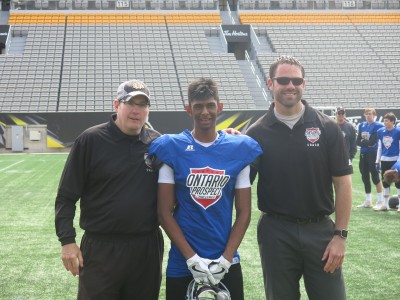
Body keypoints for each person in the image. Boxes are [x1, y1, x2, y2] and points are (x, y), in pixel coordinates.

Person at [246, 55, 353, 300]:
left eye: (296, 80)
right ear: (270, 83)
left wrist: (340, 236)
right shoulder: (256, 133)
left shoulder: (327, 128)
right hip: (276, 232)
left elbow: (343, 184)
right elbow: (241, 184)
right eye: (283, 80)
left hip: (320, 231)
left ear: (304, 84)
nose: (290, 86)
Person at [149, 77, 263, 300]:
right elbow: (164, 213)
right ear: (188, 109)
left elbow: (244, 212)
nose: (205, 112)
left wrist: (226, 259)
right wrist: (191, 259)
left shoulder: (238, 149)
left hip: (225, 260)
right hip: (183, 262)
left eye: (210, 105)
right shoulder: (172, 147)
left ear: (219, 107)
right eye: (198, 106)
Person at [55, 79, 164, 300]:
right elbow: (66, 196)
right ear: (116, 105)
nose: (137, 110)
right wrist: (67, 241)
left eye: (143, 105)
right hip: (101, 248)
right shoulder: (90, 140)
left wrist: (224, 135)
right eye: (130, 103)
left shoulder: (158, 143)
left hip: (146, 248)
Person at [356, 108, 384, 208]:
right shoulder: (362, 125)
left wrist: (364, 142)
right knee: (364, 176)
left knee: (375, 176)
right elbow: (357, 141)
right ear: (364, 115)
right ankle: (368, 201)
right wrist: (365, 143)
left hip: (373, 153)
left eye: (370, 114)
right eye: (366, 114)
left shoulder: (378, 125)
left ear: (374, 115)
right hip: (363, 153)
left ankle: (380, 201)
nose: (368, 115)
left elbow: (373, 142)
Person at [375, 116, 400, 211]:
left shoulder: (398, 131)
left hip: (395, 159)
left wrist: (399, 160)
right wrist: (377, 161)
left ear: (393, 121)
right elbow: (380, 147)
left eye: (387, 121)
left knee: (398, 182)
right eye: (384, 120)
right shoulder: (380, 131)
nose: (385, 122)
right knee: (385, 182)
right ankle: (385, 205)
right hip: (384, 159)